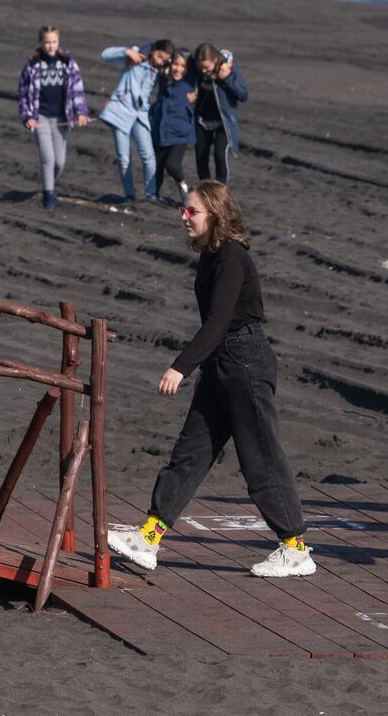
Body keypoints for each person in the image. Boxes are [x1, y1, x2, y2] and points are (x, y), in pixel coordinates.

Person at [107, 182, 316, 578]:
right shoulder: (211, 256)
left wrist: (180, 366)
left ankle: (295, 549)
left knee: (261, 458)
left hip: (246, 362)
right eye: (183, 210)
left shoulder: (232, 258)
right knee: (191, 451)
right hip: (221, 365)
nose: (183, 217)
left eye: (192, 212)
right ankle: (149, 537)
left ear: (215, 215)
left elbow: (219, 322)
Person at [18, 27, 89, 211]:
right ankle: (48, 194)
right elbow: (23, 92)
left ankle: (52, 184)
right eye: (47, 42)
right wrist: (27, 116)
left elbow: (77, 90)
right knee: (47, 158)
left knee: (59, 161)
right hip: (40, 116)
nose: (51, 46)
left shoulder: (68, 63)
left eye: (54, 42)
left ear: (59, 42)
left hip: (61, 117)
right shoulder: (33, 63)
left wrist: (81, 112)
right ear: (41, 43)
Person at [98, 40, 173, 205]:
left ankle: (151, 194)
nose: (160, 61)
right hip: (121, 113)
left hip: (140, 114)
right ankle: (129, 195)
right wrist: (126, 51)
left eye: (164, 59)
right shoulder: (134, 56)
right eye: (159, 56)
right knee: (124, 157)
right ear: (153, 50)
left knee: (148, 155)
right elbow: (105, 55)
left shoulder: (158, 69)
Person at [191, 44, 247, 183]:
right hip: (201, 120)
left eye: (207, 67)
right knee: (201, 156)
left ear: (216, 60)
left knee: (220, 155)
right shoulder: (196, 70)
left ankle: (221, 191)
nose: (204, 71)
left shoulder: (229, 69)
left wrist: (226, 78)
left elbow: (243, 95)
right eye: (200, 67)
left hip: (224, 121)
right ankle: (205, 191)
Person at [149, 51, 196, 202]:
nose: (178, 69)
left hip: (180, 134)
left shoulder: (190, 82)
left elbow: (199, 64)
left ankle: (185, 189)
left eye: (183, 66)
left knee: (173, 165)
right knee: (156, 169)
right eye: (176, 64)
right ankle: (153, 196)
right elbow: (152, 53)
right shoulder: (163, 79)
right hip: (160, 132)